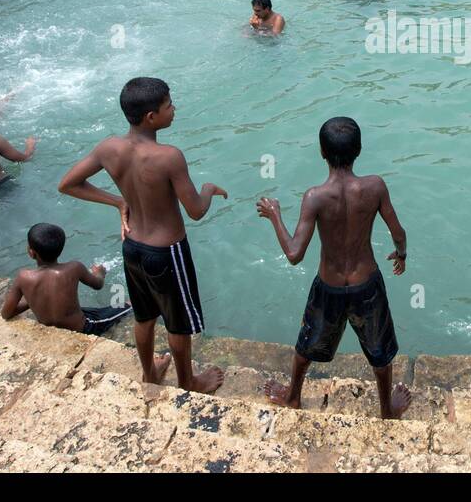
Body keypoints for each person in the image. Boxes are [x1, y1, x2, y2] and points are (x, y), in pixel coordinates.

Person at [58, 77, 227, 393]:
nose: (174, 109)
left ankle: (150, 373)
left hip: (133, 246)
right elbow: (195, 211)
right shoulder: (168, 156)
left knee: (144, 316)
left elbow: (68, 184)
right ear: (152, 117)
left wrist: (117, 201)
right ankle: (188, 381)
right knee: (178, 323)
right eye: (169, 106)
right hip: (168, 252)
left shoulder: (109, 147)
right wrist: (208, 190)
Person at [255, 117, 411, 419]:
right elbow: (399, 232)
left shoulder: (315, 197)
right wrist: (401, 255)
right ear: (360, 150)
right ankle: (386, 411)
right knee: (379, 352)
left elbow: (294, 253)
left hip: (330, 287)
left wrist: (274, 214)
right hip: (367, 284)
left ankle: (293, 397)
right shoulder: (375, 187)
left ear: (322, 153)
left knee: (305, 348)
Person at [1, 223, 138, 339]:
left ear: (31, 252)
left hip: (52, 327)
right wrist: (100, 273)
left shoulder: (23, 277)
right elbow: (98, 285)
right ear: (61, 250)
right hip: (85, 327)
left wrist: (33, 298)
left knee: (82, 310)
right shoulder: (74, 268)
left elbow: (6, 313)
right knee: (124, 305)